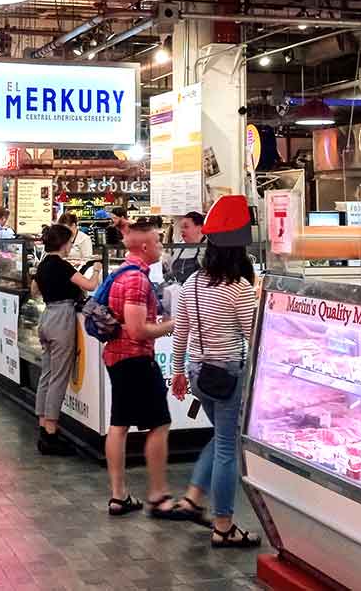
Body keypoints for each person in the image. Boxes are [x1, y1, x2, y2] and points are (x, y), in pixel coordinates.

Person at [167, 195, 263, 549]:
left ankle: (194, 496)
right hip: (228, 375)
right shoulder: (238, 289)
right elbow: (253, 336)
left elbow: (181, 332)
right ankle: (223, 525)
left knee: (222, 437)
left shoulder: (192, 283)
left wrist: (178, 371)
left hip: (198, 374)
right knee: (227, 446)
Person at [102, 218, 177, 517]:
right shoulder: (136, 279)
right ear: (145, 247)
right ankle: (158, 494)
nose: (161, 246)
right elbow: (136, 330)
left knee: (119, 424)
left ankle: (119, 495)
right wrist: (171, 325)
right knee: (159, 424)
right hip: (134, 359)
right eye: (158, 242)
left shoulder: (123, 273)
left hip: (118, 358)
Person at [33, 224, 97, 455]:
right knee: (59, 378)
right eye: (69, 242)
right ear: (62, 244)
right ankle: (51, 431)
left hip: (47, 317)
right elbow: (90, 285)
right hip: (62, 318)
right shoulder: (62, 265)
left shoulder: (42, 265)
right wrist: (97, 269)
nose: (70, 245)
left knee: (47, 375)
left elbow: (34, 291)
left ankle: (42, 425)